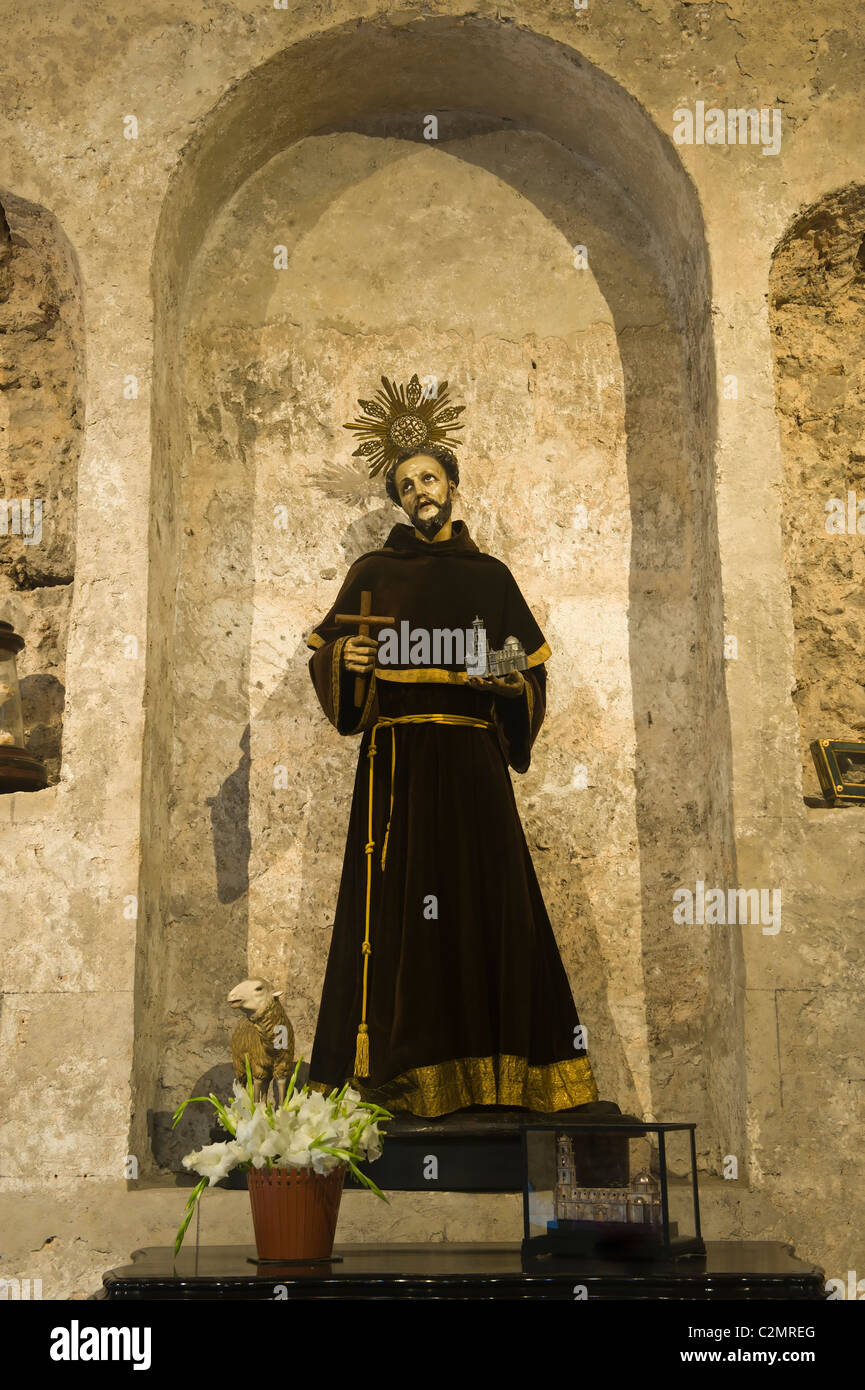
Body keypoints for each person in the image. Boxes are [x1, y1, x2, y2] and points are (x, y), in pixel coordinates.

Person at [305, 386, 597, 1117]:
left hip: (471, 768)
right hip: (398, 767)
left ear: (452, 486)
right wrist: (350, 660)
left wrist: (505, 680)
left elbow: (528, 673)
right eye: (405, 484)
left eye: (428, 478)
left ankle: (501, 1079)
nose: (418, 491)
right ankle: (399, 1080)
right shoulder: (373, 574)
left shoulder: (488, 578)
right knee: (400, 916)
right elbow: (330, 665)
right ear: (397, 500)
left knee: (489, 907)